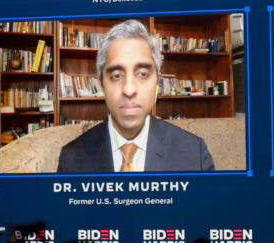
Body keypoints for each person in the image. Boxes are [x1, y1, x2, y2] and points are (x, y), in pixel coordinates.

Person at [56, 20, 214, 173]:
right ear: (102, 85)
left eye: (143, 74)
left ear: (156, 83)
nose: (129, 90)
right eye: (116, 76)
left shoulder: (194, 155)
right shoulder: (71, 159)